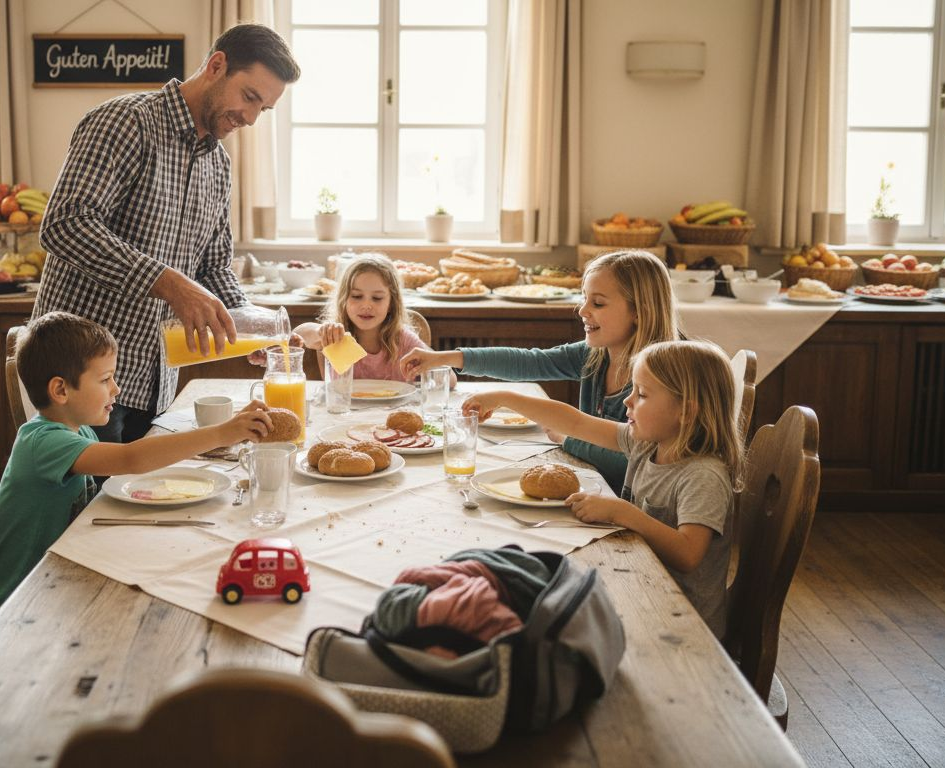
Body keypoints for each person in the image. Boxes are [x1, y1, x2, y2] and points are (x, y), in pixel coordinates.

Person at [33, 24, 300, 447]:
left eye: (263, 109)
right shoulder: (126, 122)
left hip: (154, 382)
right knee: (88, 513)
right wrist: (170, 283)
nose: (250, 119)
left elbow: (212, 269)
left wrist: (255, 328)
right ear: (216, 66)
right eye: (249, 97)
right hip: (81, 381)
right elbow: (65, 223)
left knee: (141, 509)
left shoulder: (219, 166)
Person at [0, 312, 272, 626]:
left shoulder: (80, 430)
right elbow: (131, 459)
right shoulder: (42, 443)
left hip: (56, 578)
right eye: (105, 380)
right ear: (61, 390)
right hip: (15, 606)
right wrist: (222, 433)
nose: (116, 389)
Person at [462, 340, 742, 637]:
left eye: (642, 394)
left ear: (686, 411)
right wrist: (505, 398)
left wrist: (625, 513)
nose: (627, 401)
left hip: (681, 623)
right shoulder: (647, 444)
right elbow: (576, 423)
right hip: (639, 586)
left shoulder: (703, 475)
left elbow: (688, 554)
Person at [400, 250, 677, 489]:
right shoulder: (596, 355)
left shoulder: (664, 376)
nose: (582, 311)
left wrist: (569, 439)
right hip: (593, 488)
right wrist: (441, 358)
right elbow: (528, 361)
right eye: (584, 299)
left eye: (598, 303)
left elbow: (635, 465)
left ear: (639, 311)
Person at [292, 255, 437, 382]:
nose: (366, 305)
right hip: (344, 413)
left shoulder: (404, 341)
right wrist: (321, 331)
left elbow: (449, 379)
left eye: (377, 298)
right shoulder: (335, 337)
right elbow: (299, 335)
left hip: (393, 412)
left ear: (392, 303)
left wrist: (427, 366)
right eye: (357, 296)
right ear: (344, 300)